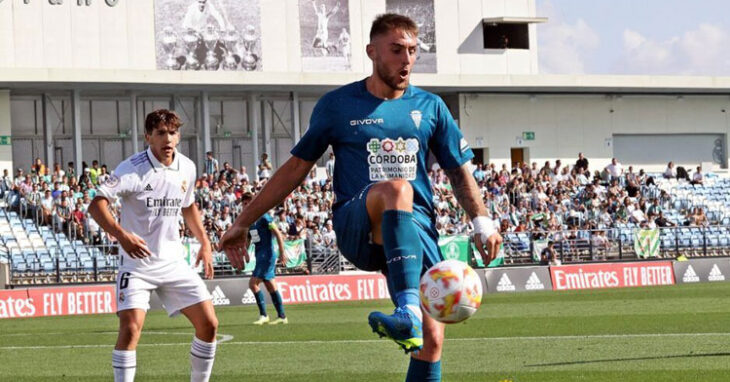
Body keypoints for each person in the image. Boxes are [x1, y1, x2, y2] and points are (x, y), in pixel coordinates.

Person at [219, 14, 502, 382]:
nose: (406, 60)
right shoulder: (338, 105)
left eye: (413, 51)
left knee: (432, 340)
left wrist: (482, 221)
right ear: (372, 52)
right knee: (397, 188)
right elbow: (295, 168)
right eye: (396, 50)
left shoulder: (431, 107)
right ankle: (408, 311)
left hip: (414, 230)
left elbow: (459, 170)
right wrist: (242, 221)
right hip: (359, 224)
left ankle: (411, 317)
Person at [87, 109, 218, 382]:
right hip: (137, 266)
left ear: (179, 136)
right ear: (148, 137)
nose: (167, 139)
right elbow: (96, 205)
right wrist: (122, 235)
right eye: (160, 133)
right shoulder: (132, 169)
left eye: (172, 132)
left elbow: (188, 206)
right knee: (131, 328)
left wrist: (204, 242)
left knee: (209, 325)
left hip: (173, 262)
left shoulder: (188, 167)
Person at [239, 192, 289, 325]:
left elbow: (278, 233)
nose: (245, 205)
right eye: (244, 204)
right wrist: (245, 251)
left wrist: (282, 252)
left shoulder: (264, 217)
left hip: (267, 255)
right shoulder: (250, 222)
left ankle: (264, 315)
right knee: (270, 285)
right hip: (260, 255)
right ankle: (282, 317)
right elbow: (250, 238)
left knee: (253, 284)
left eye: (247, 202)